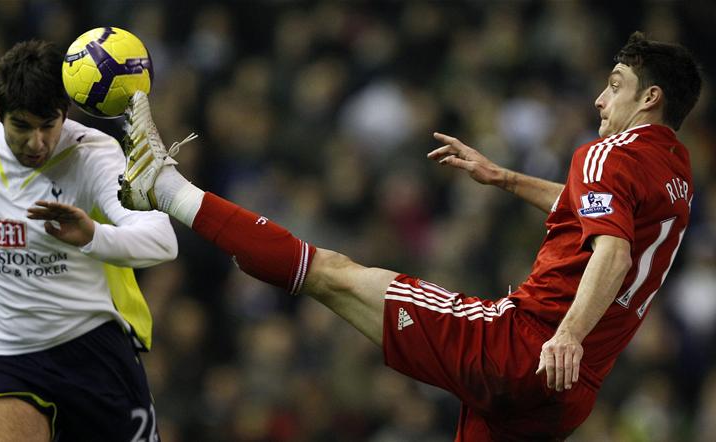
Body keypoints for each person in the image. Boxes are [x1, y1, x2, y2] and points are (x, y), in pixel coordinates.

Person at [118, 31, 701, 440]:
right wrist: (504, 177)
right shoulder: (676, 173)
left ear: (649, 97)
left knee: (331, 273)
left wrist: (568, 333)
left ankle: (165, 189)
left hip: (522, 348)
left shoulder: (606, 153)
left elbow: (613, 249)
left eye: (616, 85)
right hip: (567, 395)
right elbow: (597, 216)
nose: (601, 99)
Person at [0, 40, 178, 441]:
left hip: (91, 349)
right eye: (21, 126)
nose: (36, 142)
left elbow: (163, 241)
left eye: (47, 126)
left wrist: (93, 235)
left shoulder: (93, 156)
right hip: (2, 353)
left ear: (65, 114)